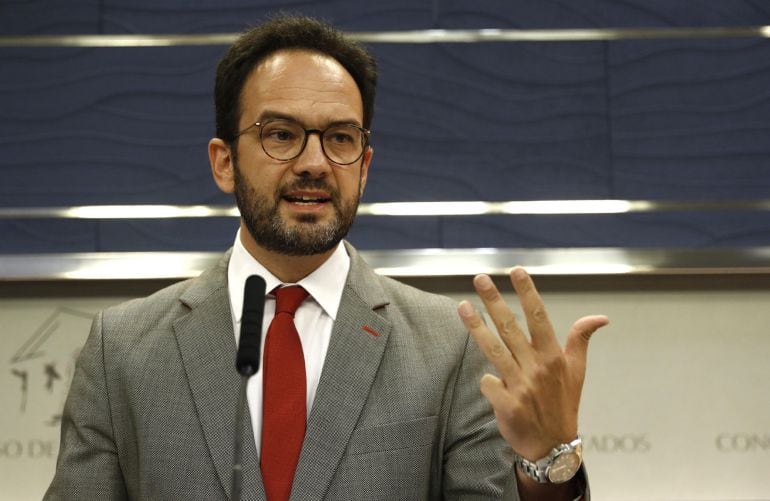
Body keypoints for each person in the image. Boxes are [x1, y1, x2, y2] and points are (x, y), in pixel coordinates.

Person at [45, 14, 608, 501]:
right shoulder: (121, 350)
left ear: (363, 166)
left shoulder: (449, 346)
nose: (314, 162)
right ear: (223, 163)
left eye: (340, 139)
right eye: (281, 134)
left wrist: (547, 465)